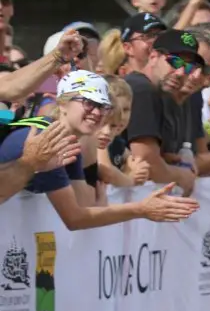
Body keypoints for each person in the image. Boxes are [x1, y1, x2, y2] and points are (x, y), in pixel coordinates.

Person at [0, 70, 198, 229]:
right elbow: (75, 218)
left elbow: (85, 204)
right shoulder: (46, 139)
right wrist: (141, 209)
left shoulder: (71, 140)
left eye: (103, 106)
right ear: (62, 104)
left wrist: (89, 143)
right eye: (88, 103)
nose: (96, 113)